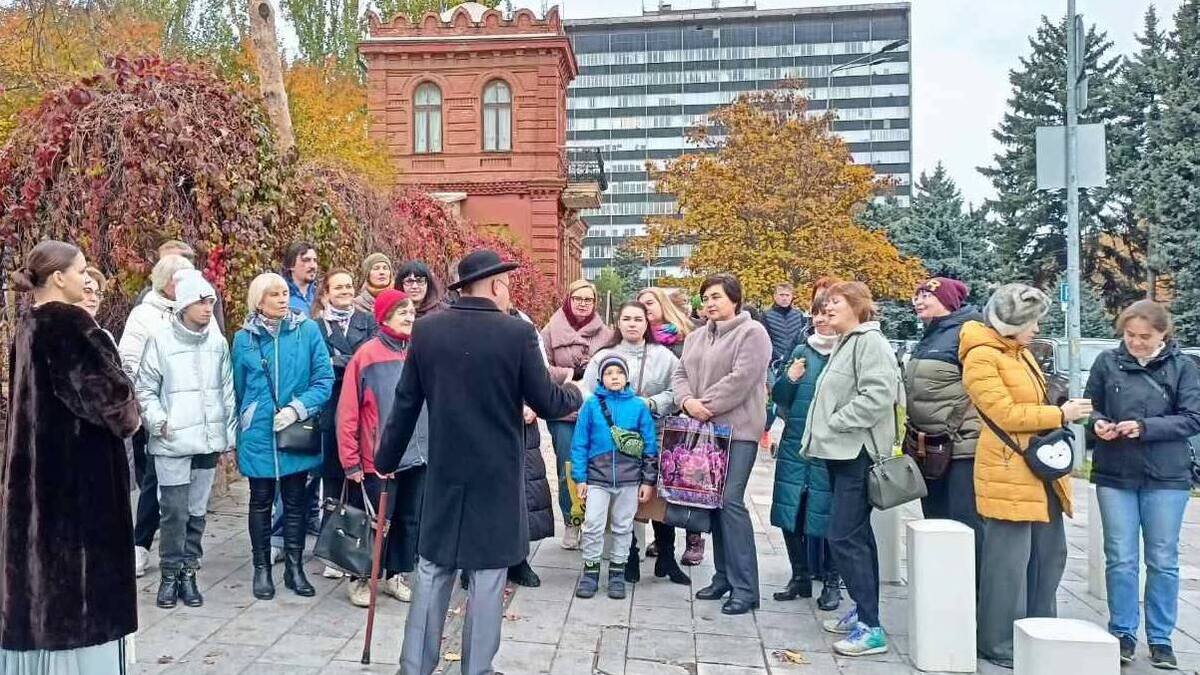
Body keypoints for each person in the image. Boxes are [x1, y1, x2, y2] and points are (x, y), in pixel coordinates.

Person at [374, 249, 582, 675]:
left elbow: (406, 402)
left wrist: (386, 459)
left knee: (433, 568)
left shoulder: (427, 331)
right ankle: (477, 669)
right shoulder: (515, 334)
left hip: (445, 470)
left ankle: (414, 667)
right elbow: (546, 400)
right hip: (496, 475)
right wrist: (580, 391)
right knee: (487, 575)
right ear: (496, 285)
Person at [0, 240, 142, 672]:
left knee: (39, 593)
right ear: (59, 277)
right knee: (82, 602)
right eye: (81, 270)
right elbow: (120, 410)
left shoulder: (26, 326)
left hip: (36, 482)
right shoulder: (75, 327)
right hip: (82, 488)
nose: (87, 278)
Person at [960, 283, 1091, 668]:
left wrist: (1060, 407)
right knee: (1008, 562)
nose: (1036, 329)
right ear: (1011, 322)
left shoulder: (1019, 353)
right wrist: (1060, 416)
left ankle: (1039, 630)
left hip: (1037, 467)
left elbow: (1033, 403)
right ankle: (998, 640)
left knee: (1049, 554)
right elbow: (1004, 414)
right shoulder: (982, 356)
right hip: (1007, 467)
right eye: (1031, 321)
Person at [1085, 300, 1200, 669]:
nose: (1135, 343)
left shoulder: (1184, 367)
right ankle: (1122, 631)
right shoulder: (1107, 362)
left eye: (1144, 337)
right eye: (1130, 335)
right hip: (1115, 472)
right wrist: (1099, 424)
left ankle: (1162, 638)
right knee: (1120, 557)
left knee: (1163, 558)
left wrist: (1145, 428)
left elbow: (1192, 418)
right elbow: (1092, 406)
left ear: (1163, 334)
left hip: (1167, 475)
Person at [802, 281, 902, 656]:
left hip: (856, 454)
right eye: (825, 304)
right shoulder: (847, 342)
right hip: (840, 453)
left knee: (842, 536)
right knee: (858, 537)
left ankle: (871, 627)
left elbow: (878, 394)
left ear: (858, 306)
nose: (827, 309)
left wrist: (837, 422)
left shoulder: (869, 342)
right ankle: (864, 612)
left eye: (835, 303)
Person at [134, 269, 235, 610]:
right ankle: (169, 575)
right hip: (172, 440)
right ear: (184, 305)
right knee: (173, 512)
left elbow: (228, 392)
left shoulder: (218, 344)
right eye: (201, 302)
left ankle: (189, 572)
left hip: (206, 443)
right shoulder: (160, 340)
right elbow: (145, 387)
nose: (208, 308)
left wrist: (227, 437)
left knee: (196, 512)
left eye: (211, 302)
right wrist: (159, 421)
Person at [674, 273, 772, 616]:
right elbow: (680, 374)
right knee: (712, 503)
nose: (710, 303)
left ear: (735, 299)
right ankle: (723, 577)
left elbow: (742, 379)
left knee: (730, 502)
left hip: (739, 431)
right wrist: (687, 403)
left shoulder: (753, 333)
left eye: (716, 296)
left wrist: (706, 406)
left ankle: (746, 588)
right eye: (706, 297)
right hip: (704, 431)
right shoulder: (696, 337)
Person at [233, 272, 334, 600]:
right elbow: (238, 387)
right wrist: (242, 423)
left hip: (296, 429)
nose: (281, 299)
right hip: (259, 432)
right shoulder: (244, 339)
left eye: (283, 293)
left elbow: (323, 378)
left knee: (295, 502)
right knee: (260, 500)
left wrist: (297, 409)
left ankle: (294, 567)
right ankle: (261, 567)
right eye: (273, 294)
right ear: (258, 300)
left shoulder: (307, 331)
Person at [581, 300, 687, 585]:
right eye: (626, 318)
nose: (632, 324)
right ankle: (627, 558)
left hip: (655, 432)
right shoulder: (605, 355)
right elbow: (588, 392)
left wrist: (651, 403)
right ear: (618, 322)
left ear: (646, 323)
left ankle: (667, 555)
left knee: (658, 497)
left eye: (638, 319)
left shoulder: (663, 356)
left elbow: (678, 391)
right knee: (624, 500)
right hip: (615, 443)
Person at [337, 290, 424, 607]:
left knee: (409, 519)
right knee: (375, 521)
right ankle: (360, 576)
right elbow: (348, 411)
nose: (409, 316)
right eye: (402, 311)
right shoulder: (367, 355)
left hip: (418, 455)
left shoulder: (420, 351)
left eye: (412, 311)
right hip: (378, 457)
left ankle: (395, 574)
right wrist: (350, 460)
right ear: (384, 316)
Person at [120, 252, 196, 578]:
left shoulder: (193, 311)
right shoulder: (144, 315)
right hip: (158, 409)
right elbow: (129, 361)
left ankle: (185, 548)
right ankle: (141, 544)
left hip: (191, 408)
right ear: (169, 284)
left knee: (189, 481)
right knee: (154, 477)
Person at [905, 277, 984, 574]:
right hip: (928, 446)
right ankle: (941, 589)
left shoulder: (968, 333)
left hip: (961, 446)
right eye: (917, 295)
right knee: (935, 522)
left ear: (949, 301)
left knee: (963, 524)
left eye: (928, 296)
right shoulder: (931, 334)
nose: (919, 301)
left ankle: (973, 592)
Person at [770, 285, 840, 610]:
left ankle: (831, 581)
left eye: (827, 313)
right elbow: (781, 398)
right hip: (796, 441)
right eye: (816, 313)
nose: (821, 320)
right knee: (790, 511)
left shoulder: (846, 351)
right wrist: (791, 379)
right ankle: (799, 577)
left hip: (831, 445)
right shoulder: (801, 350)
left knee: (826, 513)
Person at [571, 354, 658, 600]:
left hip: (629, 479)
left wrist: (648, 481)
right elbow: (580, 443)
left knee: (623, 527)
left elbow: (650, 446)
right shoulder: (591, 406)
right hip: (597, 478)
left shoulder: (639, 406)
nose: (614, 377)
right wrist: (580, 478)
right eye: (609, 373)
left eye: (619, 373)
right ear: (601, 378)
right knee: (593, 526)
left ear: (626, 377)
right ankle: (590, 571)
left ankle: (617, 573)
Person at [312, 268, 378, 580]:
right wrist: (348, 361)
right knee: (332, 480)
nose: (345, 291)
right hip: (329, 409)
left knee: (359, 478)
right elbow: (318, 366)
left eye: (349, 286)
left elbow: (371, 361)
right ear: (325, 293)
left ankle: (358, 543)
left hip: (362, 410)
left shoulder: (367, 322)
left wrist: (340, 360)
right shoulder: (316, 327)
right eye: (338, 287)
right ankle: (332, 547)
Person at [635, 286, 706, 566]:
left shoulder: (687, 335)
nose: (646, 308)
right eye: (641, 304)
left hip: (686, 416)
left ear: (663, 304)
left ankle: (694, 539)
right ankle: (662, 539)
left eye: (650, 302)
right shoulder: (644, 340)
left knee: (688, 480)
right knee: (658, 482)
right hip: (655, 419)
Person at [542, 279, 614, 550]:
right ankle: (572, 519)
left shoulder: (605, 334)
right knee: (568, 466)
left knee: (596, 465)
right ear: (568, 299)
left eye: (589, 299)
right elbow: (540, 366)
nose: (583, 303)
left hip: (595, 409)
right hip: (562, 408)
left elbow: (614, 367)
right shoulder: (550, 330)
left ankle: (595, 522)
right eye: (578, 298)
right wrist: (569, 375)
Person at [135, 240, 227, 332]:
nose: (164, 267)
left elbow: (218, 334)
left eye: (170, 262)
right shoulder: (148, 294)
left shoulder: (207, 292)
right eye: (161, 262)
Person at [762, 283, 811, 442]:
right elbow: (765, 339)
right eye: (781, 295)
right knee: (774, 397)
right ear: (775, 296)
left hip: (795, 361)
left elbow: (803, 338)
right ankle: (765, 430)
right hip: (774, 361)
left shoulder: (798, 316)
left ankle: (790, 431)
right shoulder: (767, 316)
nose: (784, 298)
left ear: (792, 297)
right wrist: (773, 357)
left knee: (794, 398)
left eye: (787, 295)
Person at [282, 241, 320, 316]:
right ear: (291, 265)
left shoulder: (321, 295)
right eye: (306, 260)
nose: (313, 266)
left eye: (315, 260)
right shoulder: (282, 297)